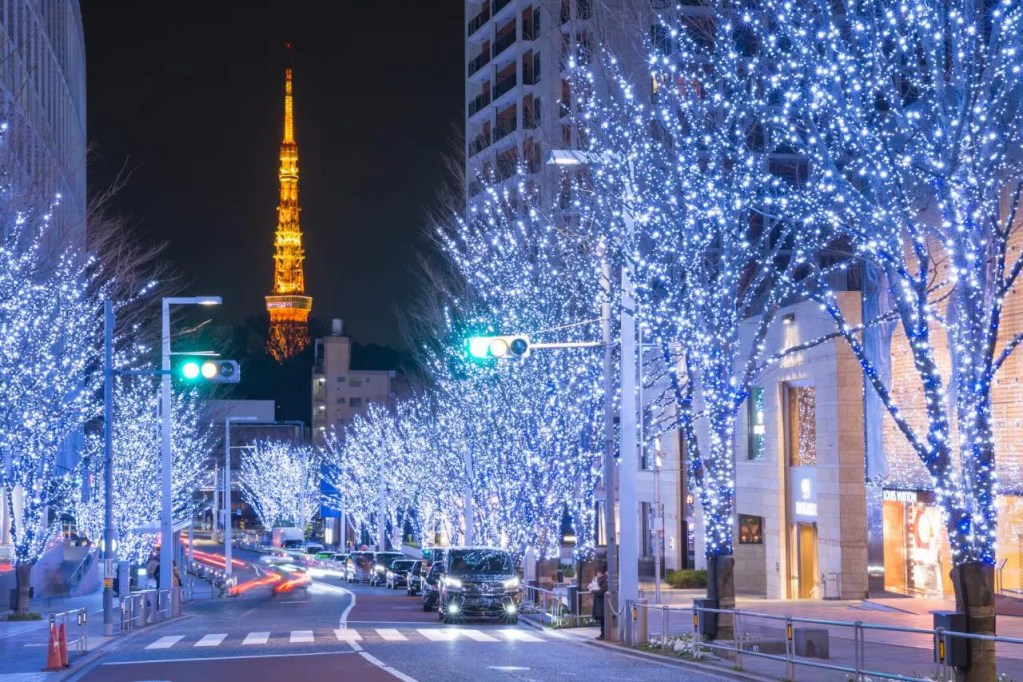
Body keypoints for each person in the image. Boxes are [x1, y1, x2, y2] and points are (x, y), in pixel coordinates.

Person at [590, 567, 608, 639]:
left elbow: (603, 591)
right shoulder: (600, 580)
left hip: (602, 603)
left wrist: (593, 591)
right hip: (600, 602)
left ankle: (603, 634)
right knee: (602, 619)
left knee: (603, 619)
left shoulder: (603, 580)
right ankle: (602, 634)